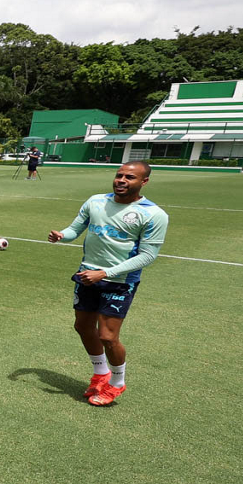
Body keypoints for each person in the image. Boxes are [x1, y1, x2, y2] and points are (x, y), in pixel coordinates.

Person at [48, 161, 168, 407]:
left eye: (130, 177)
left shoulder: (154, 214)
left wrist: (105, 273)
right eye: (119, 175)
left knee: (108, 336)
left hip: (119, 281)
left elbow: (147, 256)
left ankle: (116, 382)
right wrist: (61, 235)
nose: (121, 180)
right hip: (87, 275)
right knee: (83, 326)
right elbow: (74, 229)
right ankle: (100, 374)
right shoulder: (95, 201)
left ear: (144, 181)